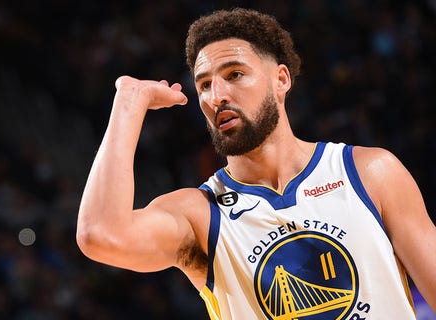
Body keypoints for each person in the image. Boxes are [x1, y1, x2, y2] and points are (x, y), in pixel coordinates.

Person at [76, 7, 436, 320]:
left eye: (234, 75)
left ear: (281, 80)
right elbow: (100, 235)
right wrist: (129, 102)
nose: (217, 96)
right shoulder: (200, 215)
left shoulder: (370, 172)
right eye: (204, 85)